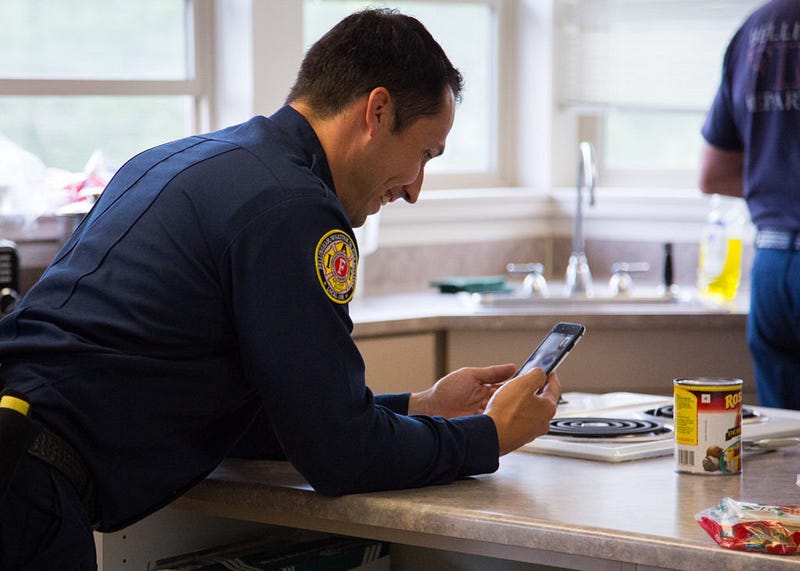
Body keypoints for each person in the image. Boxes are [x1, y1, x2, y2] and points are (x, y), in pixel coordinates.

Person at [0, 8, 561, 568]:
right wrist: (488, 437)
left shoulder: (173, 160)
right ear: (378, 110)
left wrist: (421, 408)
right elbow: (341, 457)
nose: (415, 189)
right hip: (27, 496)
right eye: (423, 154)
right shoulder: (294, 208)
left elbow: (264, 421)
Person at [699, 0, 800, 410]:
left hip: (773, 268)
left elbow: (714, 172)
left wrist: (777, 184)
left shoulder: (755, 30)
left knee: (786, 441)